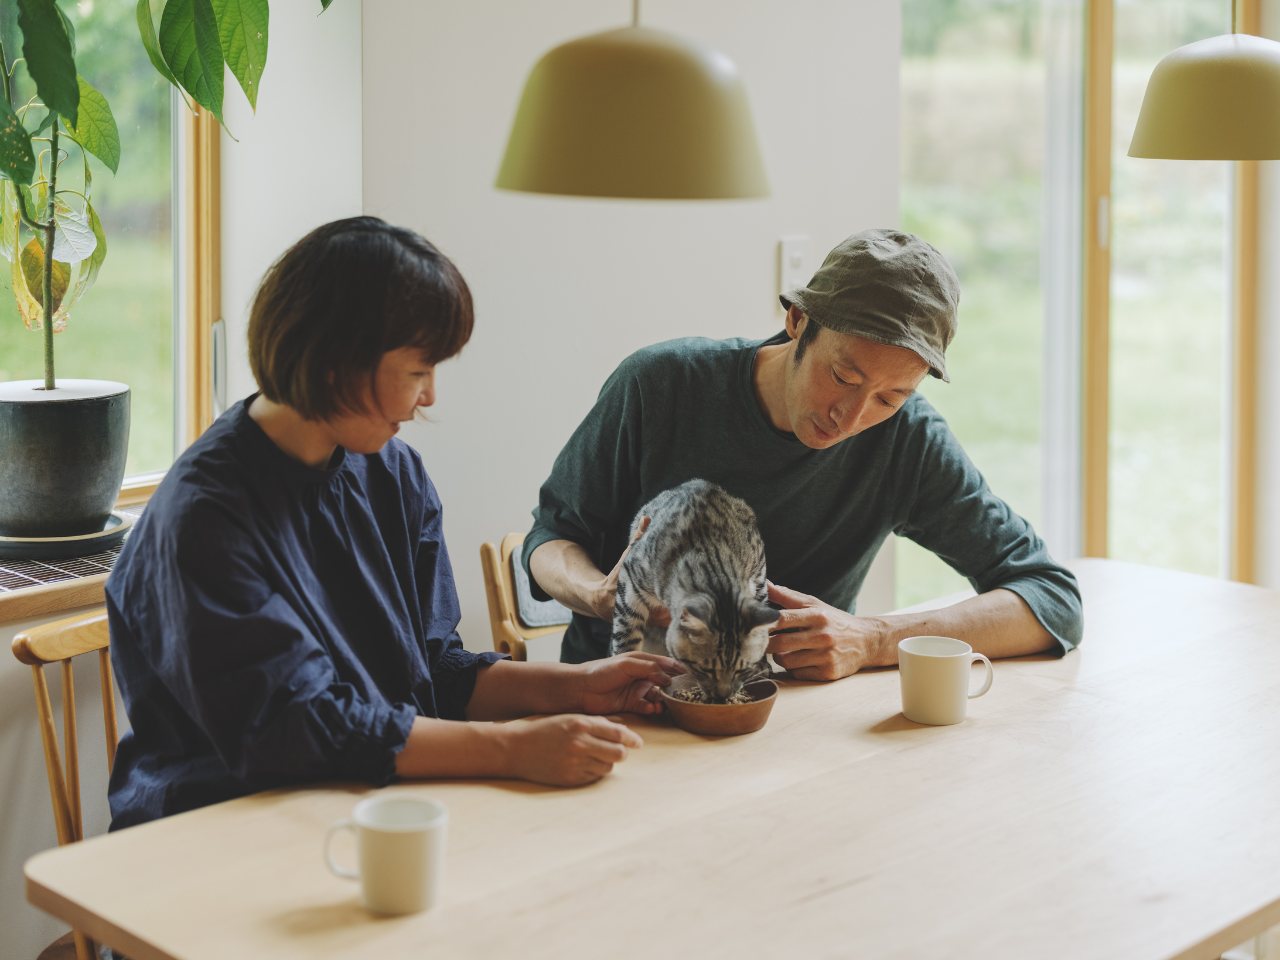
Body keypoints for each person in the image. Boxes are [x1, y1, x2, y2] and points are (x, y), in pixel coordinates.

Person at [104, 217, 681, 829]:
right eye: (418, 371)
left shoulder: (393, 473)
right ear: (338, 362)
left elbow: (434, 669)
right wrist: (512, 748)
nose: (429, 396)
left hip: (366, 804)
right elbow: (297, 728)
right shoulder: (200, 520)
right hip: (222, 830)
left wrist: (580, 686)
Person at [524, 229, 1083, 678]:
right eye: (842, 375)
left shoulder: (906, 439)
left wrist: (874, 639)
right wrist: (599, 593)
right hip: (623, 702)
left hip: (794, 725)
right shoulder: (662, 385)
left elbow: (1050, 598)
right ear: (797, 322)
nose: (852, 416)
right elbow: (550, 538)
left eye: (890, 397)